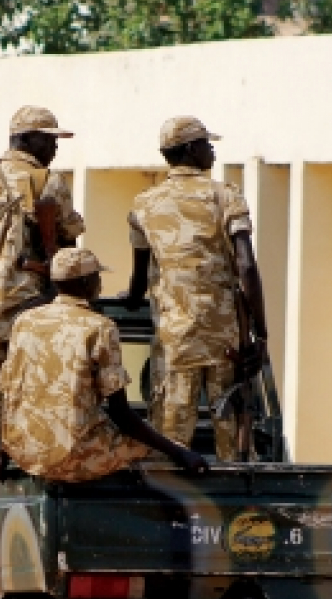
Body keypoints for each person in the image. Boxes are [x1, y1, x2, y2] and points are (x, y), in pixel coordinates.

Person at [0, 105, 85, 465]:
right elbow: (69, 256)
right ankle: (26, 478)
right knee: (32, 403)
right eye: (50, 139)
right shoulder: (49, 183)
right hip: (34, 320)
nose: (56, 148)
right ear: (26, 139)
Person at [123, 116, 268, 462]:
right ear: (191, 149)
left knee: (171, 442)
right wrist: (261, 333)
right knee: (233, 442)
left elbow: (140, 277)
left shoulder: (144, 205)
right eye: (206, 143)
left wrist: (129, 300)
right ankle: (234, 509)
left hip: (175, 342)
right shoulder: (225, 196)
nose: (212, 150)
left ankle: (170, 510)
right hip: (226, 341)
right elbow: (246, 266)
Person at [0, 247, 208, 482]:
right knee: (162, 450)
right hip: (73, 457)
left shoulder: (24, 322)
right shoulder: (100, 328)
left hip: (24, 452)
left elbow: (10, 393)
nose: (100, 283)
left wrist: (4, 453)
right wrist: (179, 453)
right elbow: (122, 414)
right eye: (97, 277)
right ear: (87, 282)